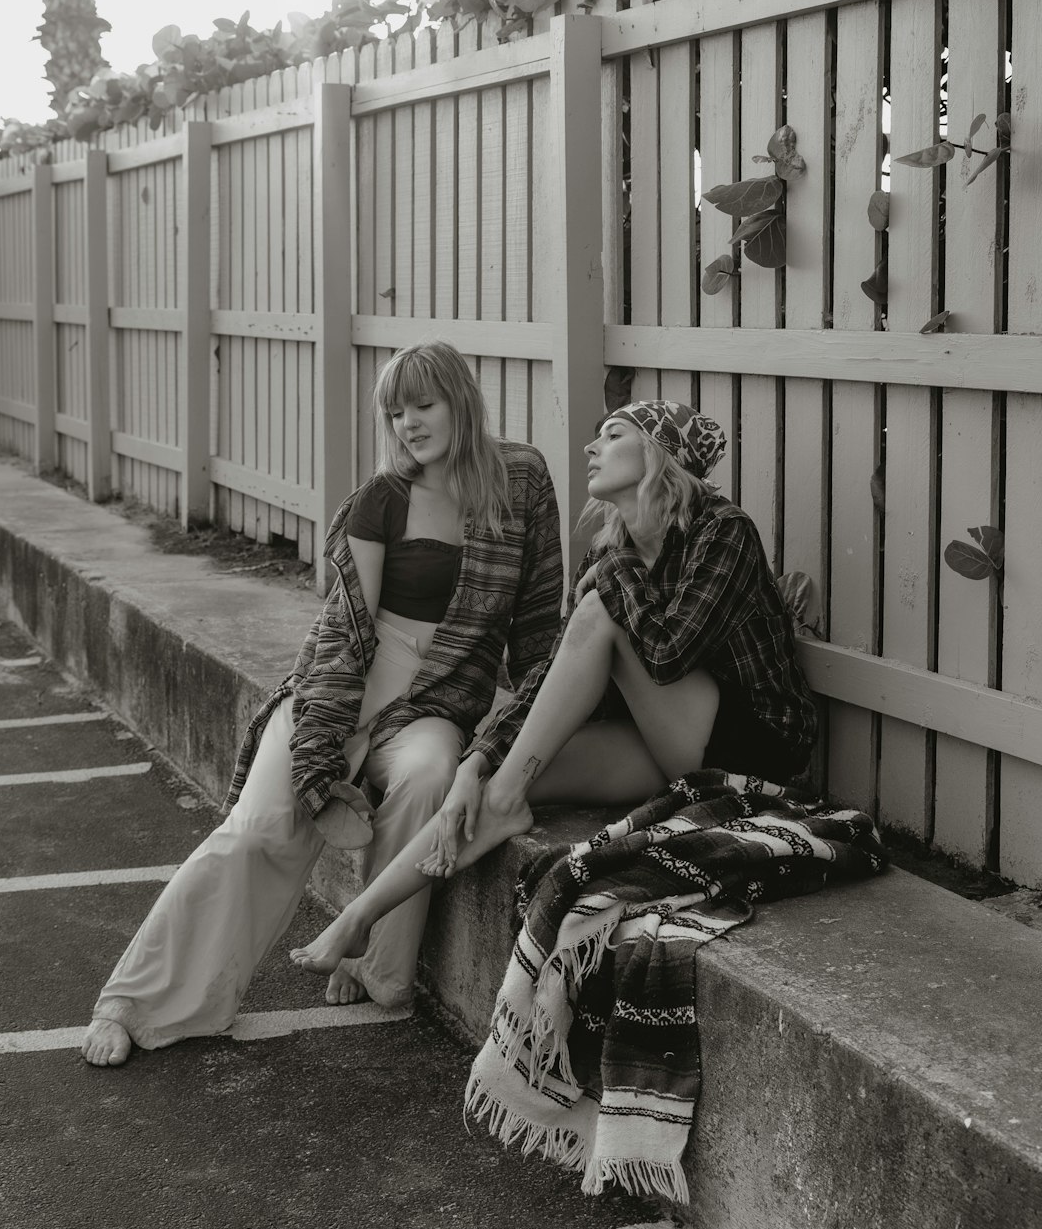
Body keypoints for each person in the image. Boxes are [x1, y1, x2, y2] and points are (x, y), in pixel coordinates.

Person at [81, 340, 563, 1066]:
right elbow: (345, 634)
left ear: (463, 399)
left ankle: (371, 964)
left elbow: (535, 627)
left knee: (430, 777)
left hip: (436, 700)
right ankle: (134, 1001)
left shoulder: (521, 480)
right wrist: (321, 743)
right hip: (347, 686)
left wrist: (529, 731)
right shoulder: (381, 498)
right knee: (261, 830)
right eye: (395, 413)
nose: (408, 425)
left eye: (423, 406)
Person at [288, 398, 818, 978]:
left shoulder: (722, 531)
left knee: (594, 615)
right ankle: (362, 918)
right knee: (486, 784)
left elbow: (670, 656)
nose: (591, 448)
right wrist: (478, 760)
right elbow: (553, 673)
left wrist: (615, 578)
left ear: (660, 455)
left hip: (753, 746)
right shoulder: (609, 548)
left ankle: (502, 799)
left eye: (613, 435)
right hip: (669, 745)